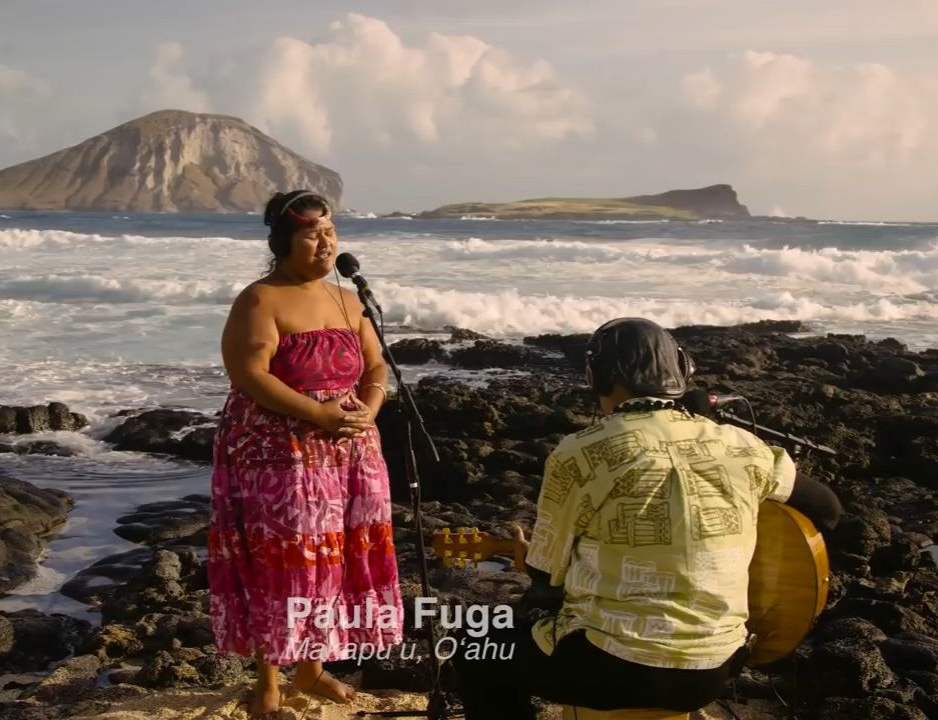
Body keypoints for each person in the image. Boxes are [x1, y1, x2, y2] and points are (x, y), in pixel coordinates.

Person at [453, 317, 842, 719]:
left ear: (597, 378)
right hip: (717, 666)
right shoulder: (744, 446)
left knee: (477, 645)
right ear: (683, 372)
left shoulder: (580, 452)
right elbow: (828, 509)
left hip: (615, 666)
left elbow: (547, 579)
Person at [207, 190, 404, 717]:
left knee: (332, 558)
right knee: (281, 560)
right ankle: (269, 683)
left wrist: (372, 406)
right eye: (312, 233)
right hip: (279, 452)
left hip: (350, 448)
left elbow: (376, 368)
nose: (326, 242)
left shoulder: (348, 297)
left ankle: (313, 671)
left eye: (330, 230)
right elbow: (249, 375)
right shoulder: (260, 299)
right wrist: (317, 415)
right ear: (283, 242)